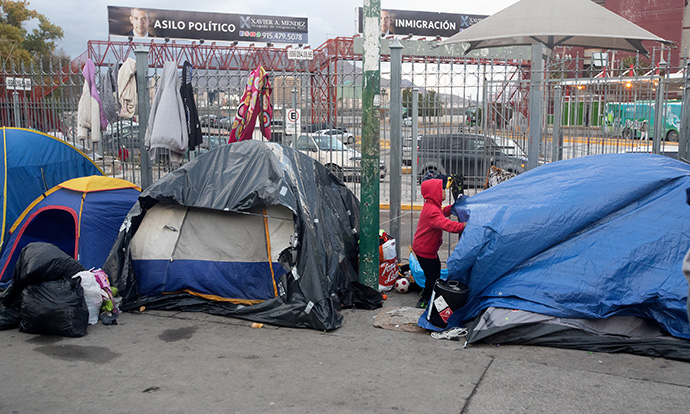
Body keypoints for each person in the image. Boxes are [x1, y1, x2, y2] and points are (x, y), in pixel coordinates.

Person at [412, 178, 467, 309]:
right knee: (433, 276)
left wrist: (452, 208)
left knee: (432, 274)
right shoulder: (432, 211)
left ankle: (428, 294)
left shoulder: (432, 207)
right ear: (434, 193)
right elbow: (446, 224)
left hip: (425, 249)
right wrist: (462, 226)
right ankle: (425, 299)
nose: (444, 191)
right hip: (425, 251)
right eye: (441, 189)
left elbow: (442, 213)